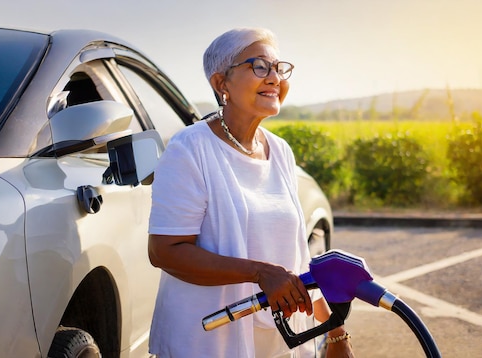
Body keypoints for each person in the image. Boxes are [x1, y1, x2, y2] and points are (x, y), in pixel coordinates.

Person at [147, 27, 355, 357]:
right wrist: (259, 273)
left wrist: (335, 333)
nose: (274, 78)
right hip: (209, 341)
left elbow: (296, 257)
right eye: (259, 66)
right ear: (221, 84)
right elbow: (165, 251)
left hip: (276, 339)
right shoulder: (190, 148)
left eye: (279, 68)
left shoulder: (280, 150)